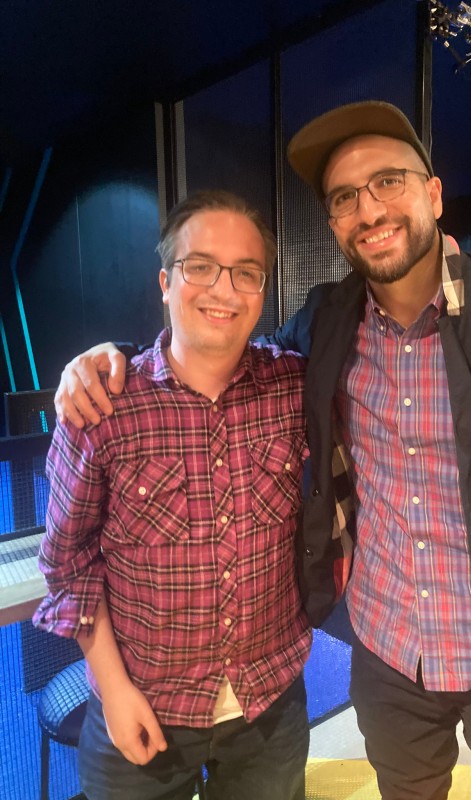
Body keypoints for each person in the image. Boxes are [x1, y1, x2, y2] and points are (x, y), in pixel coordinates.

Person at [54, 101, 471, 800]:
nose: (368, 210)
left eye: (388, 183)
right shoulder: (326, 321)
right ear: (334, 224)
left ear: (433, 194)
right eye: (344, 198)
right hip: (388, 648)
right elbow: (212, 347)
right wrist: (111, 357)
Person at [34, 189, 316, 800]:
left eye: (246, 273)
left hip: (271, 705)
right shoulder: (103, 406)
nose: (224, 289)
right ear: (166, 281)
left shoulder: (295, 389)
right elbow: (68, 561)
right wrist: (112, 688)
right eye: (200, 267)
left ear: (263, 292)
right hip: (142, 702)